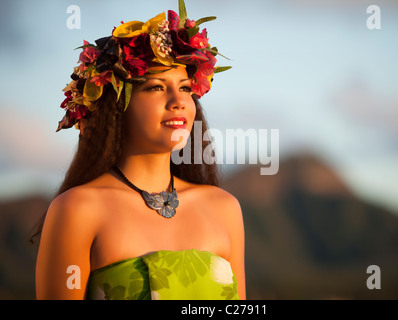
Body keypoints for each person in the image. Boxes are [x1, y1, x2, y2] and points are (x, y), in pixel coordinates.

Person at [34, 1, 245, 300]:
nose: (178, 101)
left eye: (186, 88)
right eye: (156, 87)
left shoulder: (224, 209)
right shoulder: (77, 210)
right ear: (117, 104)